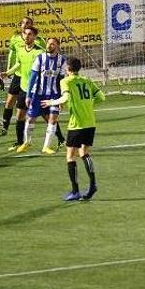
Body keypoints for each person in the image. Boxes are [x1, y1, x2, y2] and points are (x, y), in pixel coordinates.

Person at [42, 57, 105, 201]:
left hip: (76, 124)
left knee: (70, 156)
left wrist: (52, 102)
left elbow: (64, 98)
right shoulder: (87, 80)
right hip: (90, 123)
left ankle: (75, 191)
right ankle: (93, 184)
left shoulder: (66, 81)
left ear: (68, 68)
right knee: (84, 152)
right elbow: (102, 97)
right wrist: (87, 105)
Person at [20, 37, 67, 154]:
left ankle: (46, 147)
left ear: (57, 46)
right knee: (30, 119)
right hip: (38, 95)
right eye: (48, 43)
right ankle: (27, 142)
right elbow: (32, 78)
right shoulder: (40, 58)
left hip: (54, 95)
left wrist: (61, 99)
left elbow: (61, 80)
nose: (49, 46)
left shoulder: (62, 61)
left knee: (53, 120)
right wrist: (28, 95)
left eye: (52, 44)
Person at [0, 17, 47, 136]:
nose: (25, 25)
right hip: (18, 74)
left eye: (28, 23)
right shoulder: (15, 38)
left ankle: (56, 134)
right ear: (20, 25)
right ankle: (4, 127)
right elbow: (12, 54)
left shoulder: (39, 42)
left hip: (31, 77)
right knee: (10, 101)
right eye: (23, 23)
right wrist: (8, 71)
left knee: (37, 107)